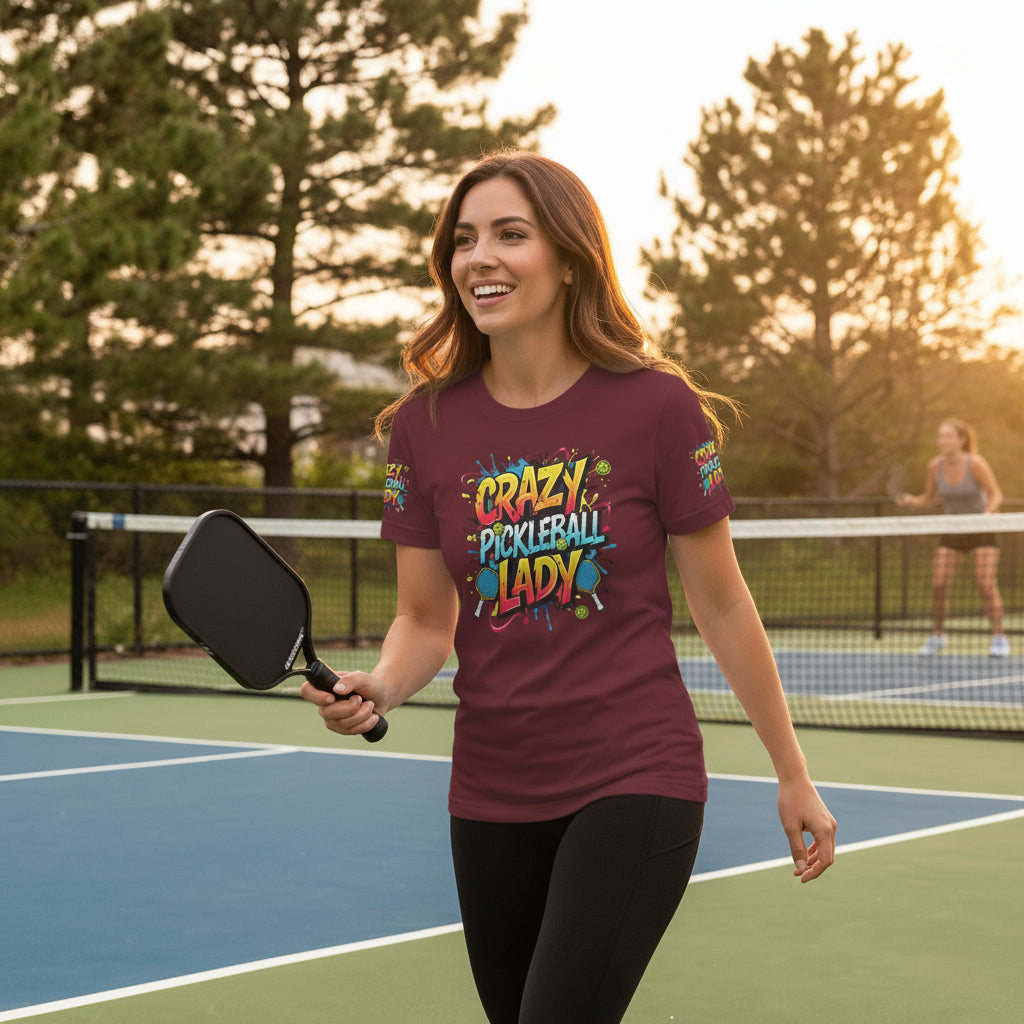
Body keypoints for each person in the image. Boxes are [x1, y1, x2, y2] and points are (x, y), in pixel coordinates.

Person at [301, 151, 837, 1024]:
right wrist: (380, 686)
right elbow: (424, 618)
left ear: (570, 255)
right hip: (488, 789)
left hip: (635, 774)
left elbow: (723, 603)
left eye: (512, 235)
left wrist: (792, 771)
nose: (482, 258)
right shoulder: (422, 428)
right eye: (464, 239)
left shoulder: (658, 408)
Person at [898, 419, 1008, 657]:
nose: (943, 441)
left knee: (985, 585)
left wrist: (987, 515)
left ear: (961, 440)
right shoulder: (933, 466)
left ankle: (999, 638)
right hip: (952, 531)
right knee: (938, 586)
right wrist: (911, 501)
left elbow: (995, 494)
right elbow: (929, 498)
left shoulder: (976, 463)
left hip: (981, 531)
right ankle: (937, 636)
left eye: (948, 436)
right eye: (940, 436)